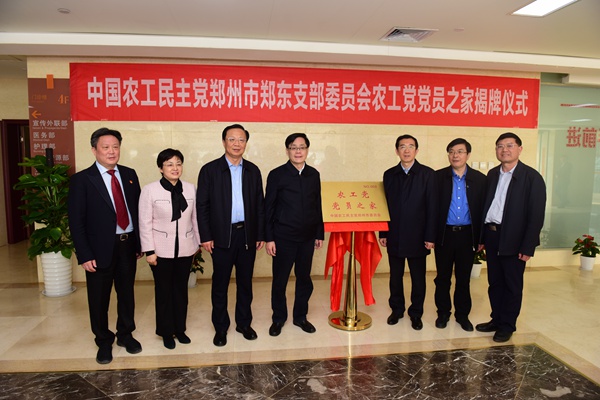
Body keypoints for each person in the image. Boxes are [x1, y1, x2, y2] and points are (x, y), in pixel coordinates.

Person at [68, 127, 142, 364]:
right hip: (98, 250)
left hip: (127, 245)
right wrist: (84, 254)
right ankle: (103, 340)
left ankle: (125, 334)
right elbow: (76, 221)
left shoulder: (129, 174)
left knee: (127, 293)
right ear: (94, 150)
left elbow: (137, 211)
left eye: (115, 147)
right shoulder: (82, 180)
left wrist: (140, 243)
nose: (111, 151)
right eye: (106, 147)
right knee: (99, 298)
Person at [196, 124, 265, 347]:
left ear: (246, 143)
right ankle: (220, 327)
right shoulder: (210, 170)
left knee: (245, 283)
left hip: (247, 235)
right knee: (220, 284)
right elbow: (202, 206)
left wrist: (260, 233)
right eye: (232, 139)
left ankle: (244, 324)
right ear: (224, 142)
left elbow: (260, 204)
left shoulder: (253, 170)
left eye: (241, 140)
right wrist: (206, 236)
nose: (237, 144)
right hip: (220, 237)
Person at [476, 132, 546, 342]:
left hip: (515, 239)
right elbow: (485, 207)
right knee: (495, 282)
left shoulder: (532, 178)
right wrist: (481, 238)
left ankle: (507, 325)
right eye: (500, 146)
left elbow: (536, 216)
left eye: (509, 145)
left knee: (512, 285)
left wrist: (528, 246)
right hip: (492, 235)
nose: (504, 150)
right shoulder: (492, 175)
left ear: (519, 149)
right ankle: (496, 319)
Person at [138, 148, 201, 349]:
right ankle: (166, 332)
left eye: (178, 164)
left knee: (181, 291)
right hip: (160, 251)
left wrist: (198, 244)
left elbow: (196, 219)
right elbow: (144, 223)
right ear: (160, 168)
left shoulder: (190, 189)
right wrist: (149, 251)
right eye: (169, 164)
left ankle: (180, 329)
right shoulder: (150, 190)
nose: (175, 168)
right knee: (164, 292)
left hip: (185, 249)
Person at [265, 133, 324, 337]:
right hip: (283, 237)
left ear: (307, 150)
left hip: (307, 237)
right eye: (293, 147)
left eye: (302, 147)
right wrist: (269, 238)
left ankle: (300, 317)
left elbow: (318, 205)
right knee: (280, 280)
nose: (298, 151)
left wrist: (319, 233)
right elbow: (269, 208)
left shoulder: (313, 174)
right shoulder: (277, 175)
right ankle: (278, 318)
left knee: (304, 279)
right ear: (287, 150)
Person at [379, 134, 437, 331]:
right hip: (394, 233)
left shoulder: (428, 174)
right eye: (402, 146)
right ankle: (396, 310)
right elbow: (383, 205)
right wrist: (383, 233)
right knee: (395, 276)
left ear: (416, 151)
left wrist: (430, 236)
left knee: (418, 278)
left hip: (419, 236)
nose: (406, 150)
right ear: (397, 151)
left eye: (411, 146)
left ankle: (416, 313)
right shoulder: (389, 174)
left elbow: (432, 207)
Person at [434, 138, 486, 332]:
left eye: (460, 151)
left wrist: (481, 238)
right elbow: (431, 209)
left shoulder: (480, 180)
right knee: (442, 278)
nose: (455, 155)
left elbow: (483, 211)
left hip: (467, 235)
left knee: (463, 279)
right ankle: (443, 313)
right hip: (444, 235)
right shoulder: (437, 177)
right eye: (451, 151)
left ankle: (462, 315)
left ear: (468, 155)